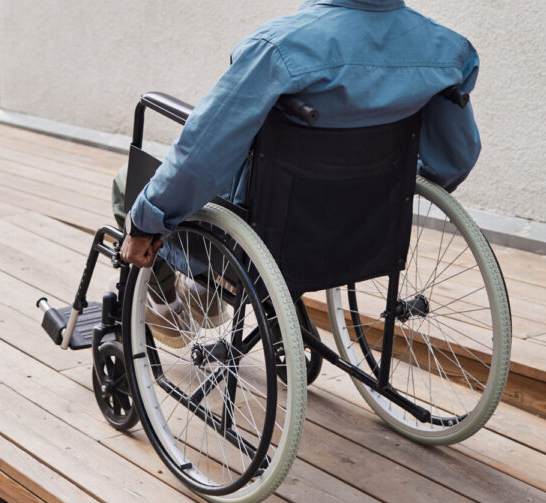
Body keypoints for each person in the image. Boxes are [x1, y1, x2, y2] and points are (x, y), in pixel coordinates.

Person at [115, 0, 481, 344]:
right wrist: (376, 184)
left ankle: (167, 309)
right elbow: (454, 161)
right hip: (370, 234)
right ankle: (203, 291)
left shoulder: (276, 48)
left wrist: (146, 221)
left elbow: (203, 154)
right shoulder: (447, 52)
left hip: (267, 237)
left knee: (128, 187)